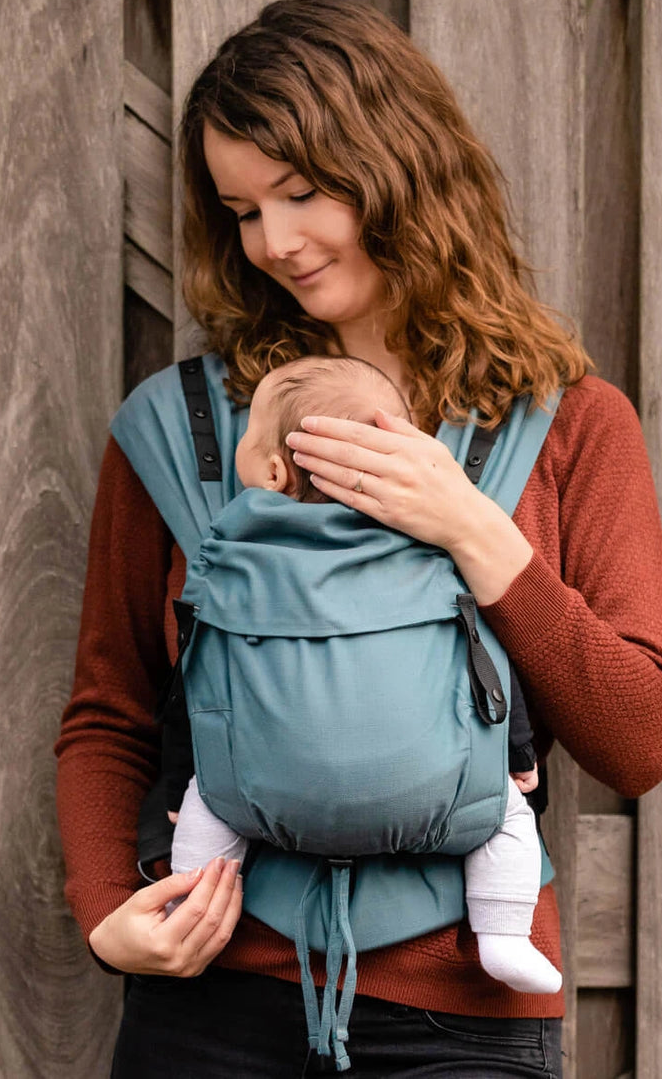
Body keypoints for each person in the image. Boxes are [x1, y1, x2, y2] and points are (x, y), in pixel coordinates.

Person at [56, 0, 662, 1078]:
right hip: (210, 1004)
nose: (275, 242)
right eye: (242, 209)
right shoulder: (186, 433)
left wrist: (474, 534)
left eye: (300, 192)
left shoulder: (575, 428)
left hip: (465, 1021)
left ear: (400, 169)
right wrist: (108, 907)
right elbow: (110, 709)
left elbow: (638, 740)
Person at [164, 353, 562, 997]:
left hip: (256, 797)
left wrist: (182, 775)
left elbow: (198, 676)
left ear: (271, 470)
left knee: (207, 808)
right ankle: (505, 935)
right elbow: (485, 653)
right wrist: (515, 750)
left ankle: (190, 913)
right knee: (508, 819)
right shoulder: (432, 539)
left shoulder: (232, 553)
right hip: (441, 797)